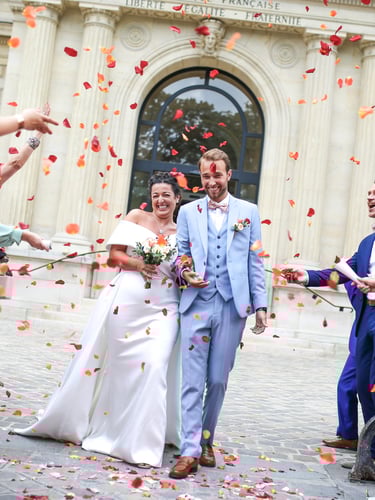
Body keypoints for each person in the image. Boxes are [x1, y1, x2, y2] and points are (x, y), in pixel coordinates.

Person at [15, 172, 182, 467]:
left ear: (177, 199)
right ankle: (111, 429)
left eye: (166, 195)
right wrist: (138, 263)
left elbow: (183, 269)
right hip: (127, 305)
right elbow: (114, 256)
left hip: (165, 308)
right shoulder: (136, 217)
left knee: (155, 367)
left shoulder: (183, 232)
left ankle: (141, 443)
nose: (160, 200)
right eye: (156, 194)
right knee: (120, 369)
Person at [169, 148, 268, 479]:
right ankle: (189, 450)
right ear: (201, 177)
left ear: (228, 175)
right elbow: (180, 255)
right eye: (206, 176)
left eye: (217, 175)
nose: (211, 181)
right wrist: (185, 272)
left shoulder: (248, 212)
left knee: (218, 380)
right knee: (192, 381)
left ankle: (206, 439)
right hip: (196, 303)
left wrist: (261, 305)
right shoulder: (188, 212)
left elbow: (256, 261)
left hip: (231, 305)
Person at [284, 181, 375, 457]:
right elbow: (344, 274)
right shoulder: (368, 242)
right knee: (362, 387)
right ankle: (369, 452)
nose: (370, 196)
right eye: (369, 191)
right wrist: (306, 276)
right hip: (366, 320)